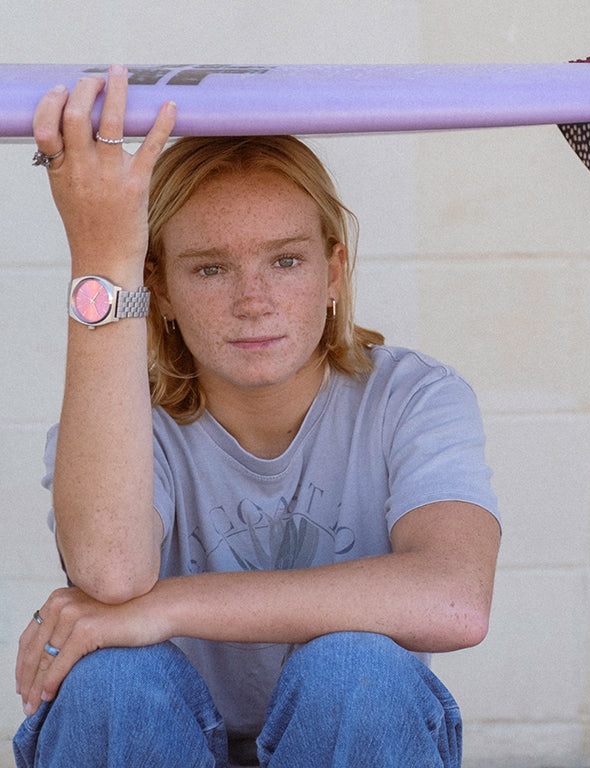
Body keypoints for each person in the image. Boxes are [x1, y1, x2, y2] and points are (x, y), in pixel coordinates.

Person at [14, 64, 501, 768]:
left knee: (354, 672)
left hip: (350, 738)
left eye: (286, 261)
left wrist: (168, 606)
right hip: (159, 739)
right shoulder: (121, 425)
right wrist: (100, 260)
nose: (253, 299)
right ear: (162, 289)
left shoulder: (410, 397)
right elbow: (113, 574)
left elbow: (457, 601)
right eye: (210, 268)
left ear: (334, 273)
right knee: (112, 681)